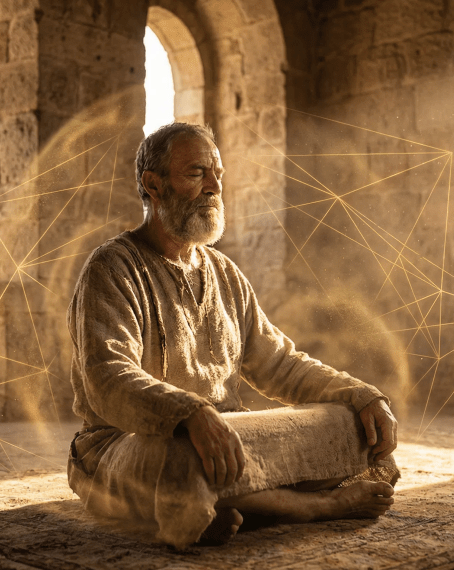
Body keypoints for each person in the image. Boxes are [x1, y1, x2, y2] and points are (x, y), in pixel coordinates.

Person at [66, 122, 399, 548]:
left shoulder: (225, 273)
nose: (213, 187)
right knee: (184, 458)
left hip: (226, 436)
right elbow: (107, 378)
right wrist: (188, 414)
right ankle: (314, 506)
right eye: (196, 173)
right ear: (153, 184)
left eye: (217, 174)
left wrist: (359, 394)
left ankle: (223, 503)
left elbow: (280, 363)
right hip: (123, 447)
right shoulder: (112, 267)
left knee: (353, 427)